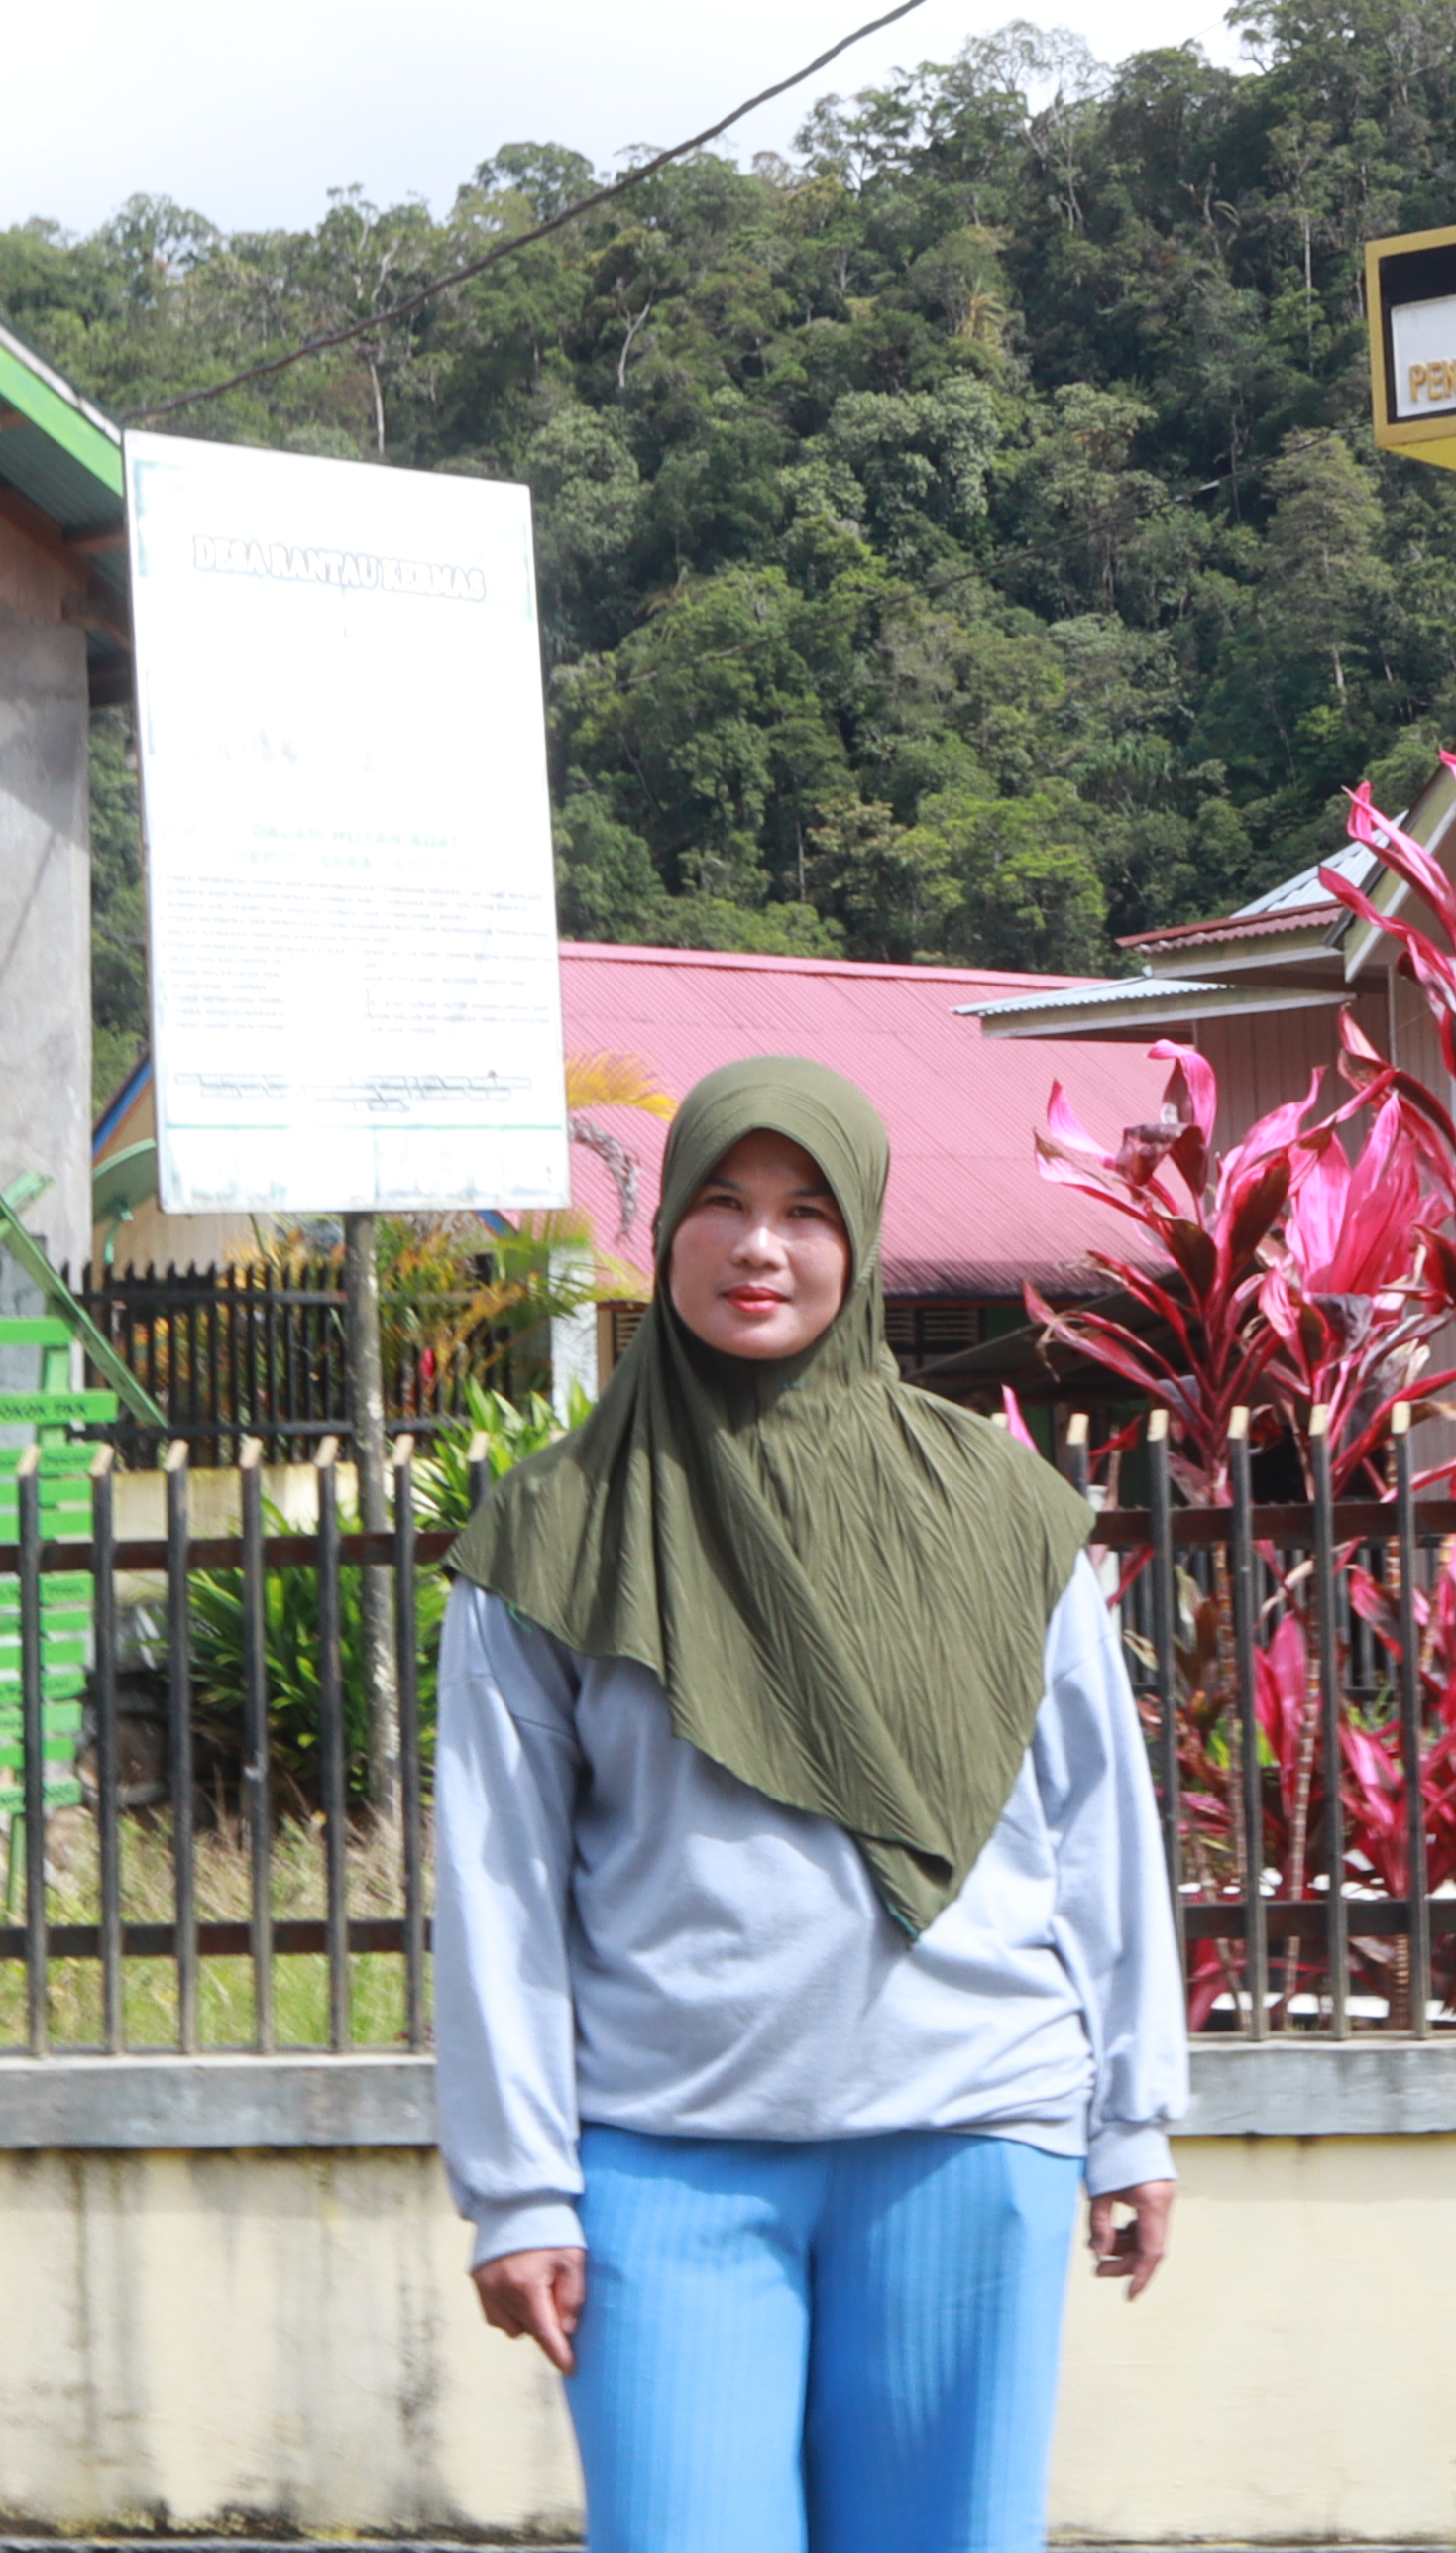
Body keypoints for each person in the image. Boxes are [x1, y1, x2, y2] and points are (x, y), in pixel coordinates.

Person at [433, 1054, 1186, 2553]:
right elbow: (501, 1886)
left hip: (973, 2138)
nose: (760, 1247)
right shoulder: (554, 1529)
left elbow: (1098, 1824)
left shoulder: (998, 1512)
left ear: (861, 1240)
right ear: (666, 1238)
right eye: (722, 1202)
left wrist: (1135, 2122)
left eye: (804, 1211)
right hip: (665, 2159)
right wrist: (519, 2188)